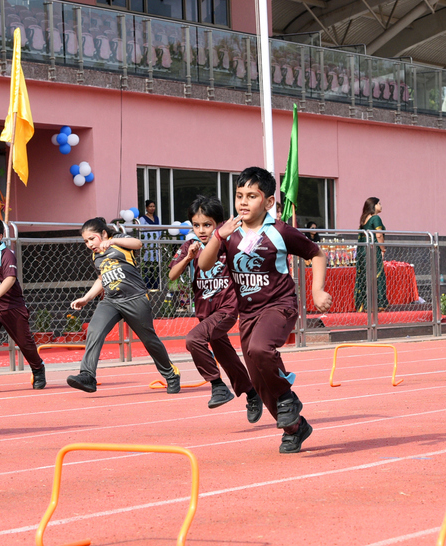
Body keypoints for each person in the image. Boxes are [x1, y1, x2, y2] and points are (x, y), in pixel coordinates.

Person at [198, 167, 332, 454]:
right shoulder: (229, 233)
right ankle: (295, 428)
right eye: (239, 196)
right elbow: (204, 264)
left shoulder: (279, 231)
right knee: (259, 381)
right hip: (249, 315)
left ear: (268, 202)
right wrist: (218, 236)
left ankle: (287, 397)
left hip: (279, 306)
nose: (243, 202)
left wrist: (317, 290)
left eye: (251, 196)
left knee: (260, 349)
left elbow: (316, 254)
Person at [66, 217, 181, 394]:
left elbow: (138, 243)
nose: (89, 244)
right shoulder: (96, 256)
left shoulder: (119, 240)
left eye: (92, 239)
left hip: (135, 299)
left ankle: (171, 375)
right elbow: (101, 279)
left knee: (149, 340)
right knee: (94, 331)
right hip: (111, 301)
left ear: (103, 233)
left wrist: (112, 241)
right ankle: (87, 375)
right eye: (86, 241)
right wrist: (86, 298)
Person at [167, 196, 258, 413]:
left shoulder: (230, 242)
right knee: (226, 356)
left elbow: (254, 251)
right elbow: (172, 275)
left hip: (227, 308)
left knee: (194, 339)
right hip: (205, 311)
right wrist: (188, 258)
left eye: (207, 225)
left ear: (219, 224)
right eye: (196, 225)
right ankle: (253, 394)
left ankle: (217, 386)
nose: (201, 230)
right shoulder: (190, 246)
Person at [0, 216, 46, 392]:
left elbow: (10, 279)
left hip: (12, 307)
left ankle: (38, 368)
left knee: (25, 343)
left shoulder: (6, 254)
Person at [354, 197, 389, 312]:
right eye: (379, 203)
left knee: (366, 276)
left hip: (363, 251)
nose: (381, 205)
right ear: (374, 206)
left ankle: (366, 304)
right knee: (378, 276)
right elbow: (379, 235)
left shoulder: (364, 219)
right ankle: (379, 304)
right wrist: (383, 249)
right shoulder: (375, 218)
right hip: (373, 250)